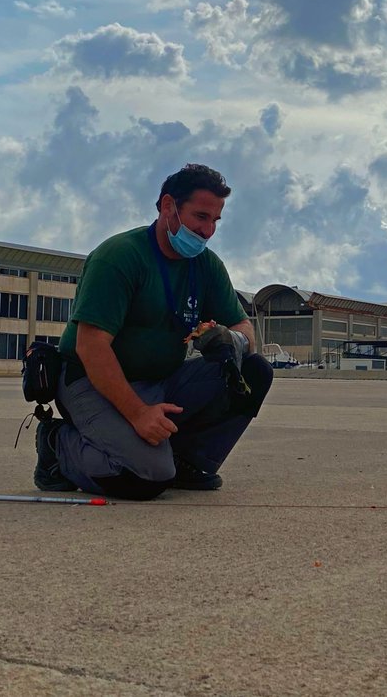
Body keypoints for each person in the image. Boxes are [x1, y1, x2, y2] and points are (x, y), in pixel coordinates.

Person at [34, 163, 273, 500]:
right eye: (200, 216)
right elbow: (92, 347)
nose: (207, 231)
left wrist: (230, 339)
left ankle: (188, 461)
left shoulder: (206, 265)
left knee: (253, 371)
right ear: (167, 207)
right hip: (91, 380)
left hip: (160, 380)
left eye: (215, 221)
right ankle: (57, 444)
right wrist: (138, 413)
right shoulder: (119, 257)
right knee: (146, 477)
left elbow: (245, 331)